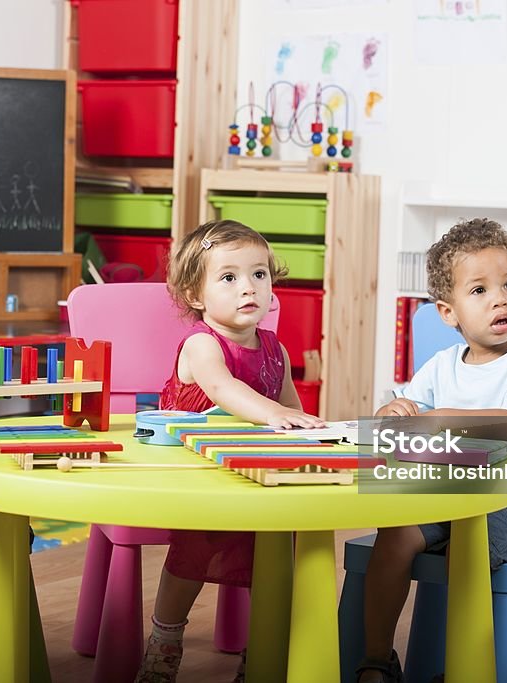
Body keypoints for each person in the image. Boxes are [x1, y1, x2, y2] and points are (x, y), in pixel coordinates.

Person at [356, 218, 507, 683]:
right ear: (449, 313)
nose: (499, 299)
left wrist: (441, 416)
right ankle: (377, 658)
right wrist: (395, 409)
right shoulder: (441, 365)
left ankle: (462, 666)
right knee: (395, 533)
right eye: (480, 290)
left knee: (464, 550)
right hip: (447, 495)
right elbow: (406, 418)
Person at [134, 220, 325, 683]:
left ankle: (261, 651)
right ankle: (164, 642)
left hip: (251, 474)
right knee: (190, 558)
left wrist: (309, 429)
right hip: (196, 478)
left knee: (279, 549)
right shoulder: (202, 344)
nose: (249, 288)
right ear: (196, 295)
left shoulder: (274, 346)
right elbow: (224, 388)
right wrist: (274, 415)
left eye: (259, 275)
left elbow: (291, 409)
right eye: (229, 277)